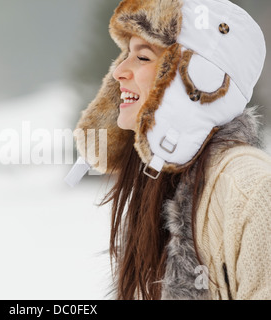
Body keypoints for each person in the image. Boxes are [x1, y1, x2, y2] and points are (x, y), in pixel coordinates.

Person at [68, 0, 271, 300]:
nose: (119, 72)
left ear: (197, 80)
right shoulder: (156, 185)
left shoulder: (253, 190)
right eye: (125, 55)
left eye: (143, 57)